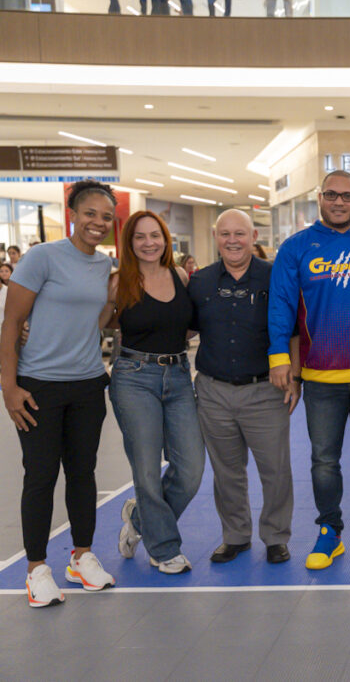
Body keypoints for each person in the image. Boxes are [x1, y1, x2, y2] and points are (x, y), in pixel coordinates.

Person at [268, 170, 350, 569]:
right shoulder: (297, 248)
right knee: (324, 460)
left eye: (347, 196)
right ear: (319, 198)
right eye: (331, 195)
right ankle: (330, 530)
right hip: (320, 376)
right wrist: (280, 359)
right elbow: (282, 307)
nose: (339, 202)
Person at [1, 180, 117, 608]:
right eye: (90, 213)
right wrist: (9, 387)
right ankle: (36, 569)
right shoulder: (42, 257)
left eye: (106, 217)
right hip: (39, 388)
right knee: (41, 475)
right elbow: (12, 324)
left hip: (88, 383)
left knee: (83, 473)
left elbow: (98, 319)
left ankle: (81, 556)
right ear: (73, 213)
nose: (98, 223)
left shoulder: (103, 266)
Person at [188, 210, 299, 565]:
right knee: (226, 471)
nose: (232, 240)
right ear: (215, 237)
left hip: (265, 389)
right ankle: (235, 536)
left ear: (253, 236)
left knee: (275, 470)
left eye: (240, 233)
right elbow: (186, 329)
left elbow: (294, 331)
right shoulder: (200, 281)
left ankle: (276, 537)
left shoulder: (276, 277)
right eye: (225, 234)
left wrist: (294, 377)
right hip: (213, 391)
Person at [109, 211, 204, 575]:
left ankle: (139, 518)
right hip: (133, 377)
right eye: (140, 237)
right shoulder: (118, 283)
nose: (149, 243)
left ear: (166, 239)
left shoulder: (180, 276)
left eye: (155, 235)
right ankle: (163, 548)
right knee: (146, 471)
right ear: (129, 243)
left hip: (179, 374)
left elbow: (189, 328)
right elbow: (101, 322)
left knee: (192, 468)